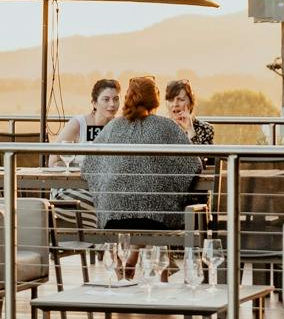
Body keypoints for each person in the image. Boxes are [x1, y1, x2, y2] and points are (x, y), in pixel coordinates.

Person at [80, 75, 199, 230]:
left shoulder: (112, 126)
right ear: (155, 99)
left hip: (113, 215)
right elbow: (193, 164)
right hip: (156, 217)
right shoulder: (167, 126)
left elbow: (88, 165)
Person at [53, 78, 120, 164]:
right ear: (94, 103)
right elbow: (53, 160)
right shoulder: (77, 124)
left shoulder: (120, 127)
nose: (112, 104)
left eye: (116, 99)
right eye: (106, 99)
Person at [164, 79, 214, 146]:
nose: (175, 104)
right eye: (170, 100)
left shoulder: (205, 129)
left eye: (181, 99)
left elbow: (202, 153)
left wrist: (190, 130)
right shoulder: (161, 128)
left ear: (190, 103)